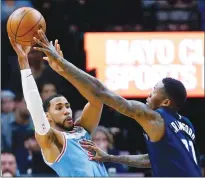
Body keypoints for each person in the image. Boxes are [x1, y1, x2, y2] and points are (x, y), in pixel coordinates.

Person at [33, 29, 202, 177]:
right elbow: (151, 159)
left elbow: (101, 92)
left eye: (155, 90)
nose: (149, 93)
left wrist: (62, 65)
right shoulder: (186, 125)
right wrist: (110, 158)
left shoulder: (156, 118)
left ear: (166, 101)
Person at [8, 37, 108, 177]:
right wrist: (23, 61)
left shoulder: (82, 129)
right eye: (59, 108)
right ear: (47, 117)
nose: (66, 111)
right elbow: (35, 106)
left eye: (67, 106)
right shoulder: (52, 140)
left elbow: (97, 99)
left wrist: (64, 70)